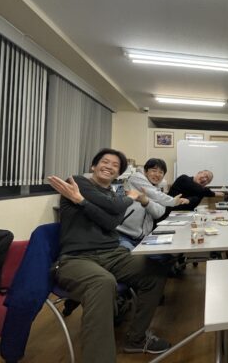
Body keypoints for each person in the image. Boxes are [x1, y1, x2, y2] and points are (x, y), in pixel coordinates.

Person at [47, 148, 170, 362]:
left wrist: (82, 202)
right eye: (105, 162)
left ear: (118, 173)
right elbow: (113, 207)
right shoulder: (77, 182)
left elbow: (111, 222)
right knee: (103, 282)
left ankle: (136, 339)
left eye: (115, 165)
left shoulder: (113, 194)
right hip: (76, 258)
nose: (109, 166)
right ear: (93, 166)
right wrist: (129, 197)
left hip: (112, 254)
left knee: (155, 271)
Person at [116, 158, 189, 250]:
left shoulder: (158, 191)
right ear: (146, 171)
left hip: (142, 238)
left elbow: (158, 213)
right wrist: (173, 201)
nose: (157, 174)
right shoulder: (136, 178)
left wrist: (146, 202)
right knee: (130, 256)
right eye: (154, 171)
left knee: (166, 253)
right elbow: (153, 194)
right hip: (123, 234)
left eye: (161, 172)